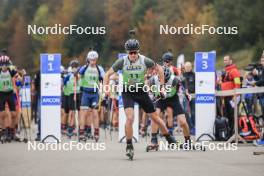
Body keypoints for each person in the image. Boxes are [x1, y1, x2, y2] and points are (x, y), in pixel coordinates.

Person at [103, 39, 176, 160]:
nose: (132, 55)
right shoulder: (122, 61)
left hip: (141, 91)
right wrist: (106, 90)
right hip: (128, 92)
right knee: (130, 118)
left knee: (155, 117)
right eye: (130, 53)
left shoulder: (144, 60)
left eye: (134, 52)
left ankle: (168, 137)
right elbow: (107, 75)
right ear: (127, 52)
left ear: (138, 51)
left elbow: (160, 70)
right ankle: (129, 145)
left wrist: (162, 87)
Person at [147, 66, 191, 150]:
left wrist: (186, 93)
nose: (164, 82)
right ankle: (154, 140)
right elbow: (150, 91)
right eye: (162, 80)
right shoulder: (153, 80)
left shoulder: (175, 79)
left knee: (182, 121)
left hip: (173, 99)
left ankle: (188, 141)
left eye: (166, 80)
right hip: (161, 99)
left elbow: (184, 83)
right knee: (155, 116)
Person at [79, 50, 105, 142]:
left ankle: (96, 133)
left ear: (96, 59)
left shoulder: (99, 68)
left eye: (94, 60)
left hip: (94, 94)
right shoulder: (84, 68)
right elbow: (78, 75)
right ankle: (81, 133)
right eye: (91, 59)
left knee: (95, 113)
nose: (93, 61)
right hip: (85, 93)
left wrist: (103, 90)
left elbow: (103, 78)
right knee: (84, 113)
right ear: (88, 59)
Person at [220, 55, 241, 136]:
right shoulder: (225, 71)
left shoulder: (234, 71)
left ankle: (235, 134)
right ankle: (230, 133)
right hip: (225, 96)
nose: (225, 61)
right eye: (224, 60)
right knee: (228, 115)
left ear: (230, 61)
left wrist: (235, 96)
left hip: (232, 97)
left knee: (233, 116)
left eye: (226, 60)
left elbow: (238, 83)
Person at [64, 60, 81, 137]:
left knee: (80, 112)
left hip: (79, 94)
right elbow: (65, 85)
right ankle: (70, 128)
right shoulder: (69, 76)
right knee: (72, 112)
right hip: (71, 95)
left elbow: (81, 82)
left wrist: (77, 76)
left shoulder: (80, 74)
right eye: (73, 67)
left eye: (76, 67)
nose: (74, 69)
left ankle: (80, 128)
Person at [252, 53, 264, 145]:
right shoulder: (262, 69)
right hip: (261, 95)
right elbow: (260, 80)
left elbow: (262, 81)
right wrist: (255, 75)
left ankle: (262, 140)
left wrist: (255, 82)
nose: (262, 61)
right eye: (261, 59)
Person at [182, 61, 195, 135]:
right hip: (184, 96)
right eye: (186, 67)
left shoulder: (194, 75)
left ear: (191, 67)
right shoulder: (182, 75)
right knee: (185, 112)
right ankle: (190, 127)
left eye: (189, 67)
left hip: (193, 95)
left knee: (193, 112)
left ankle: (193, 127)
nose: (187, 68)